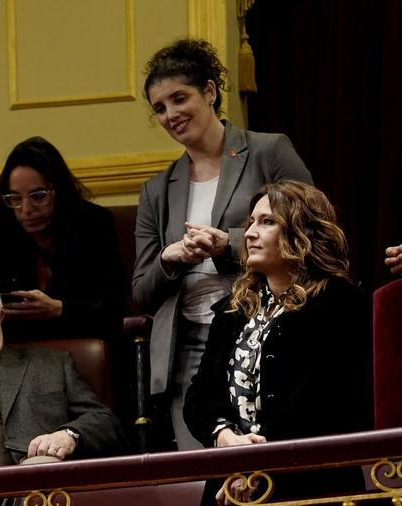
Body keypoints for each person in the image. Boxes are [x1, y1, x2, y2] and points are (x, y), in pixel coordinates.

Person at [131, 38, 311, 450]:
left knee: (268, 465)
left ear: (210, 92)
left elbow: (310, 236)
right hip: (189, 350)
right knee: (211, 478)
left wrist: (226, 244)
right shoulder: (156, 190)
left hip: (267, 331)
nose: (171, 114)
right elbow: (141, 291)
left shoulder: (269, 151)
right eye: (159, 108)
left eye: (180, 98)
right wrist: (169, 257)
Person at [184, 181, 370, 504]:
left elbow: (328, 397)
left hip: (309, 490)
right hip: (229, 489)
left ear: (301, 232)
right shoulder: (234, 309)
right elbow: (200, 394)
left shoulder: (339, 301)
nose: (251, 234)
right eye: (251, 223)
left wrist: (261, 461)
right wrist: (223, 436)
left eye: (267, 222)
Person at [0, 270, 126, 506]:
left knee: (41, 470)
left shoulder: (50, 364)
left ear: (1, 316)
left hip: (25, 491)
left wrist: (69, 435)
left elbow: (106, 422)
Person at [0, 137, 127, 342]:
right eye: (15, 198)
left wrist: (60, 309)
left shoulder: (94, 224)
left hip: (86, 341)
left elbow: (115, 308)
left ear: (60, 191)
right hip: (20, 346)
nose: (26, 210)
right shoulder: (2, 228)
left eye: (38, 196)